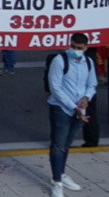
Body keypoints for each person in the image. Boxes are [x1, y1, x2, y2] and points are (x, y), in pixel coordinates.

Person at [46, 33, 97, 197]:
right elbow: (55, 88)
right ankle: (57, 182)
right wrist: (73, 106)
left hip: (79, 110)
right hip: (61, 109)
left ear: (86, 48)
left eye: (80, 48)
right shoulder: (59, 60)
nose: (76, 50)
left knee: (66, 145)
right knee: (58, 145)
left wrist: (86, 98)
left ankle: (61, 173)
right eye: (74, 47)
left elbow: (92, 84)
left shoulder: (88, 62)